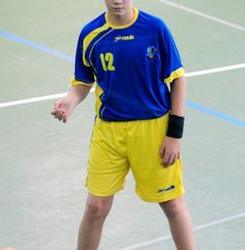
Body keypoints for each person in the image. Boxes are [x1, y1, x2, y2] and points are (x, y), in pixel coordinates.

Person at [51, 0, 195, 249]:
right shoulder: (91, 34)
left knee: (172, 203)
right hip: (109, 132)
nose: (118, 0)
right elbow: (83, 82)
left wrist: (175, 134)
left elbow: (178, 81)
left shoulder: (155, 28)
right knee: (96, 207)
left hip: (152, 130)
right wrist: (70, 100)